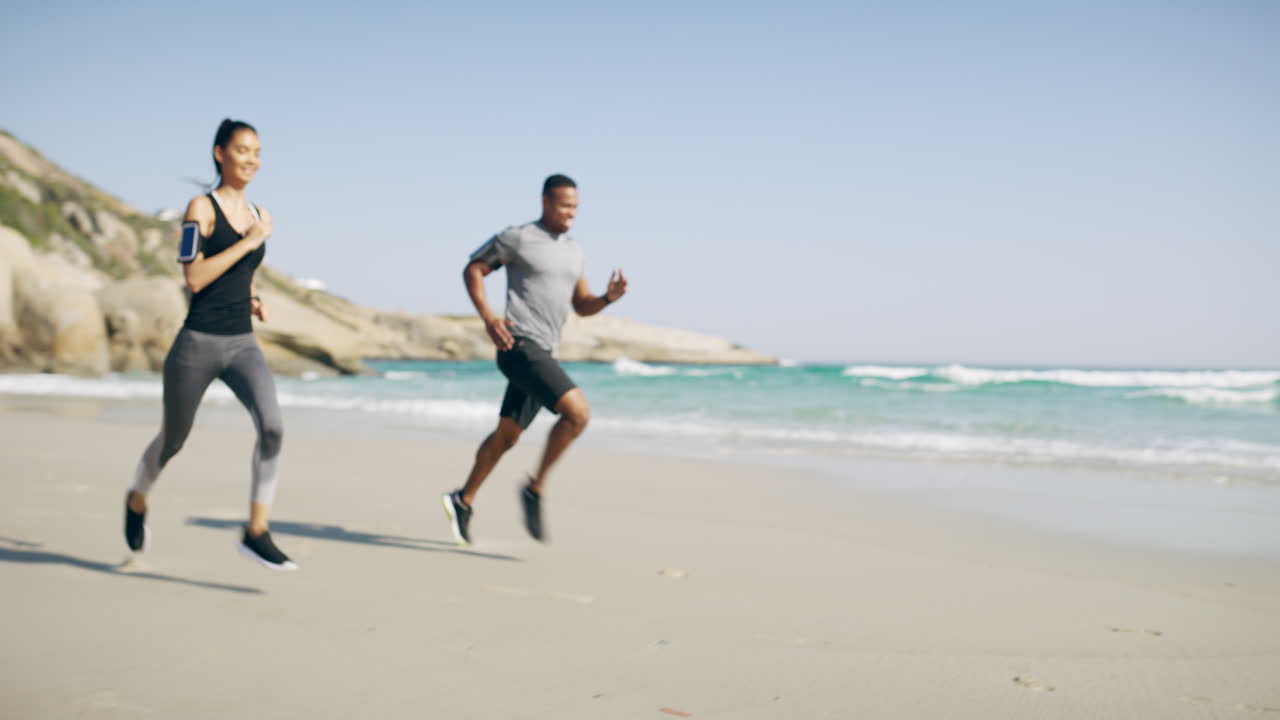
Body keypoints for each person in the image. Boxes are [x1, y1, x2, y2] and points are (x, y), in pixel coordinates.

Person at [124, 118, 296, 571]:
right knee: (173, 441)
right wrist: (250, 242)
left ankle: (256, 531)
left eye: (257, 152)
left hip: (242, 342)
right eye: (242, 150)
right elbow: (195, 276)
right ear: (220, 153)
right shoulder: (199, 208)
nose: (251, 159)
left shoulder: (263, 215)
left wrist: (253, 298)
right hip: (198, 343)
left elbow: (240, 273)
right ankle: (137, 499)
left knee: (273, 428)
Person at [443, 174, 628, 545]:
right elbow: (474, 268)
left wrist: (606, 299)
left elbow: (580, 305)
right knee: (577, 414)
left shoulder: (574, 250)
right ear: (545, 202)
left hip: (545, 350)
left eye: (575, 207)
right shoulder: (519, 237)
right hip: (518, 344)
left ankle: (463, 500)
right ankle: (535, 488)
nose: (571, 213)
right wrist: (489, 318)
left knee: (507, 436)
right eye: (564, 206)